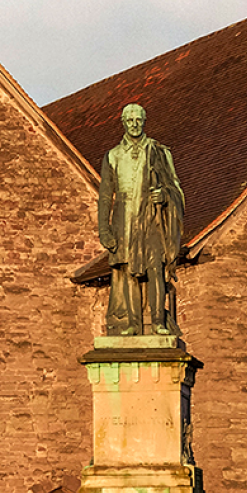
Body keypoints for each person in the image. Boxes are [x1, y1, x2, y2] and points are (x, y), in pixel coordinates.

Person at [97, 103, 185, 335]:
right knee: (128, 271)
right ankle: (133, 323)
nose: (134, 125)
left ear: (144, 121)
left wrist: (165, 195)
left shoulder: (158, 151)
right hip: (124, 218)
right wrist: (103, 229)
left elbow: (175, 186)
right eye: (130, 120)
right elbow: (105, 195)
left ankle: (157, 321)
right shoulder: (113, 156)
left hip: (151, 217)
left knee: (155, 267)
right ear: (123, 123)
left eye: (138, 120)